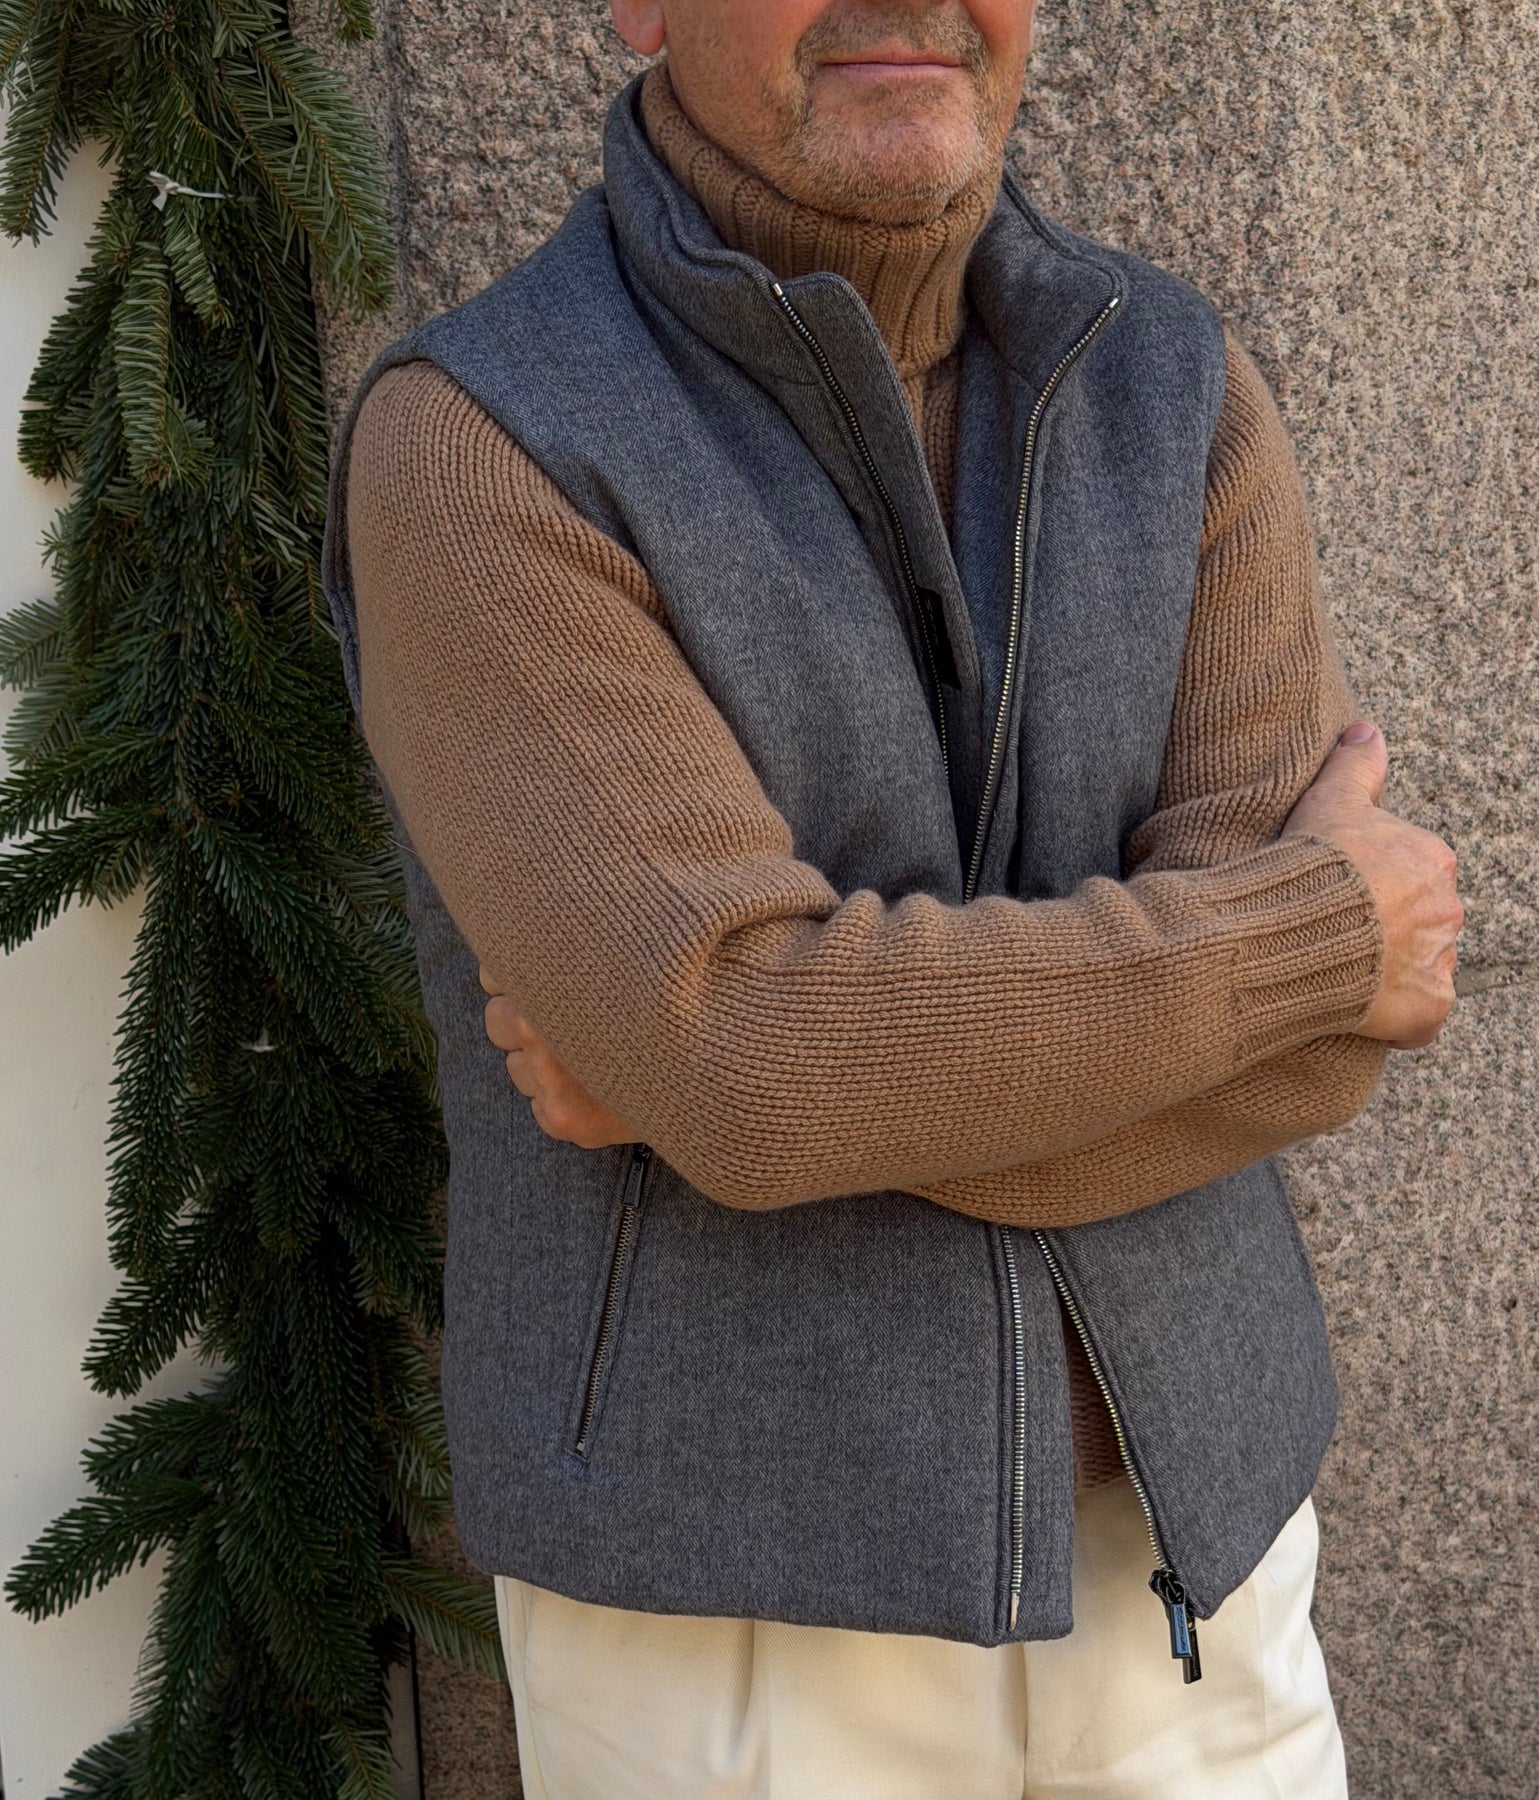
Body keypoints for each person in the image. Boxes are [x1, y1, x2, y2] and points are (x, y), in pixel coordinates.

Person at [321, 2, 1463, 1794]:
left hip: (1198, 1557)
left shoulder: (1173, 380)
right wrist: (1320, 941)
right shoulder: (481, 440)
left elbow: (1305, 1059)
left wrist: (744, 1074)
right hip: (736, 1622)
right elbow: (758, 1072)